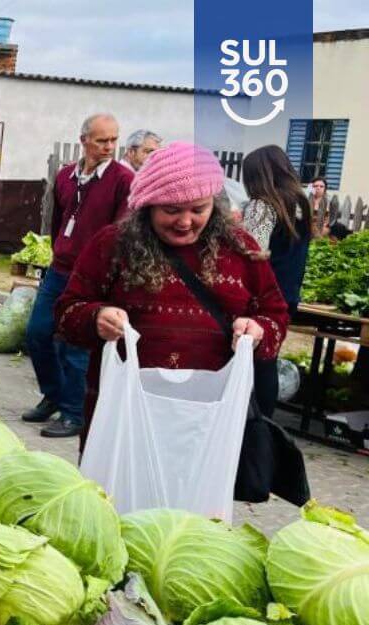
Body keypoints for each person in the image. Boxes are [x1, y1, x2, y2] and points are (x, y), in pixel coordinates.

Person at [56, 141, 289, 436]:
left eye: (198, 209)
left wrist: (257, 330)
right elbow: (66, 311)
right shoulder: (112, 245)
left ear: (213, 205)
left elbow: (276, 315)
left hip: (209, 424)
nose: (185, 221)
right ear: (148, 205)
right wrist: (95, 317)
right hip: (126, 419)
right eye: (172, 209)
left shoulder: (241, 250)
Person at [23, 112, 133, 438]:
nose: (109, 146)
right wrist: (58, 248)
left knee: (77, 344)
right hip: (60, 268)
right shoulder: (66, 176)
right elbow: (57, 218)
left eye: (114, 139)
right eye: (102, 140)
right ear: (84, 140)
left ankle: (74, 412)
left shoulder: (122, 180)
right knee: (38, 332)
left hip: (94, 276)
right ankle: (53, 394)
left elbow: (121, 231)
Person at [241, 145, 313, 317]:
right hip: (288, 295)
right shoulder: (301, 204)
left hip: (260, 298)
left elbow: (253, 253)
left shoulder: (262, 206)